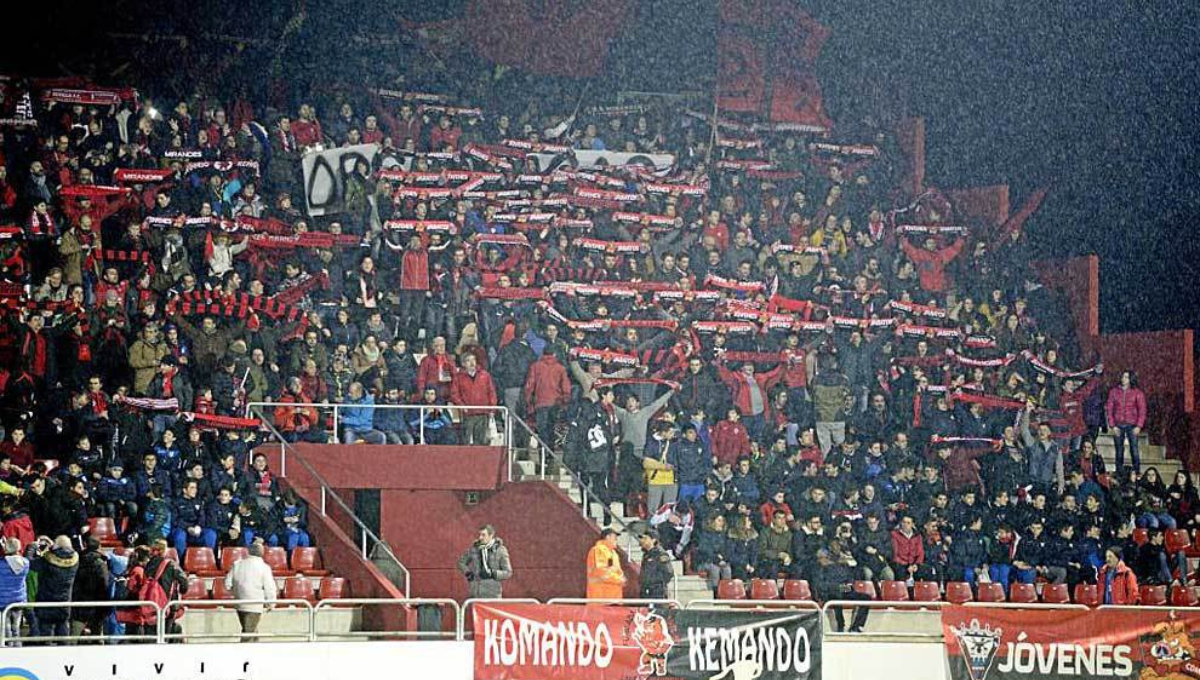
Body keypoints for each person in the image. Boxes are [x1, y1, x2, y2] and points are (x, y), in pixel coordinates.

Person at [27, 535, 79, 641]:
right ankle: (65, 655)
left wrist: (31, 547)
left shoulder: (47, 560)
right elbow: (64, 552)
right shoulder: (75, 561)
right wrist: (54, 546)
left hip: (46, 603)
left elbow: (29, 563)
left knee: (45, 634)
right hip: (64, 603)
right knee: (63, 632)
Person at [223, 541, 277, 641]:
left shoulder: (237, 564)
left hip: (239, 603)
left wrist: (236, 592)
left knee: (251, 630)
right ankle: (244, 655)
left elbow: (227, 584)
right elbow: (270, 587)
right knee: (248, 633)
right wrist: (271, 603)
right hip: (255, 605)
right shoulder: (264, 567)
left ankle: (255, 652)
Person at [456, 524, 513, 599]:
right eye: (479, 535)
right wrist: (468, 573)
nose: (480, 537)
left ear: (491, 535)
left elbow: (508, 572)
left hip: (493, 594)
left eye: (483, 535)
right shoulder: (474, 549)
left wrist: (493, 573)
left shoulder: (500, 550)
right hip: (476, 592)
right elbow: (461, 562)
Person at [1106, 370, 1146, 473]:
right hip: (1118, 425)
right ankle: (1119, 473)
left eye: (1126, 377)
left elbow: (1142, 410)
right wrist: (1112, 425)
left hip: (1132, 425)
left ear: (1131, 379)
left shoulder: (1137, 393)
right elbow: (1109, 409)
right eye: (1123, 376)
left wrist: (1139, 426)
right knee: (1119, 451)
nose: (1123, 379)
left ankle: (1137, 473)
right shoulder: (1114, 392)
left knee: (1134, 450)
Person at [0, 536, 29, 644]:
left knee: (6, 630)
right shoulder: (25, 563)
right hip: (18, 599)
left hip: (2, 601)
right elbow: (14, 561)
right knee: (16, 629)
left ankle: (8, 651)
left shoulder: (1, 564)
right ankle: (17, 649)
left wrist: (4, 548)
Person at [585, 528, 625, 600]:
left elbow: (617, 571)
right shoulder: (598, 550)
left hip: (613, 596)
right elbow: (602, 571)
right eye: (614, 537)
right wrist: (619, 580)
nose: (616, 540)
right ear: (607, 537)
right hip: (601, 596)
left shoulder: (613, 553)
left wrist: (621, 578)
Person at [637, 529, 674, 599]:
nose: (642, 541)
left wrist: (655, 583)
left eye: (645, 538)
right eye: (642, 538)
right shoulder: (646, 554)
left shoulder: (660, 554)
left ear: (653, 540)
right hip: (646, 591)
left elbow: (669, 572)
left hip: (657, 593)